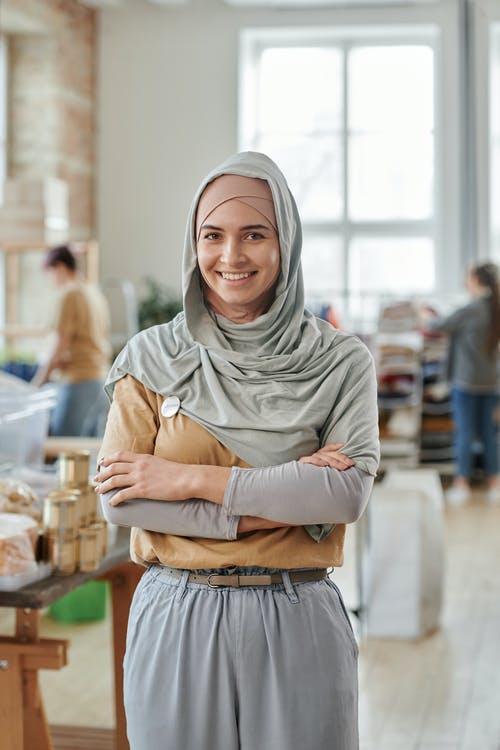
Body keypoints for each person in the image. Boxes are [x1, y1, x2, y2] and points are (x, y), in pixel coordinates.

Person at [95, 151, 380, 750]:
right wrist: (294, 498)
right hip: (177, 611)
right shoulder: (150, 359)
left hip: (297, 611)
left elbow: (345, 493)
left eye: (255, 234)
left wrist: (185, 480)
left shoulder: (339, 362)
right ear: (193, 244)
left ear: (286, 242)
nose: (231, 256)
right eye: (213, 235)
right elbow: (122, 501)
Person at [421, 262, 500, 504]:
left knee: (464, 433)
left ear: (475, 279)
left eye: (467, 276)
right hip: (492, 382)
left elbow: (439, 325)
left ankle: (461, 484)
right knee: (489, 434)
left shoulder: (472, 308)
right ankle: (495, 485)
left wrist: (424, 316)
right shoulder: (494, 306)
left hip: (467, 383)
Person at [32, 244, 111, 437]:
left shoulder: (70, 294)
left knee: (63, 449)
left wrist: (35, 386)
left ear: (59, 267)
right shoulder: (93, 292)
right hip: (100, 379)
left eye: (50, 273)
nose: (51, 280)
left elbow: (59, 346)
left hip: (78, 381)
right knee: (89, 455)